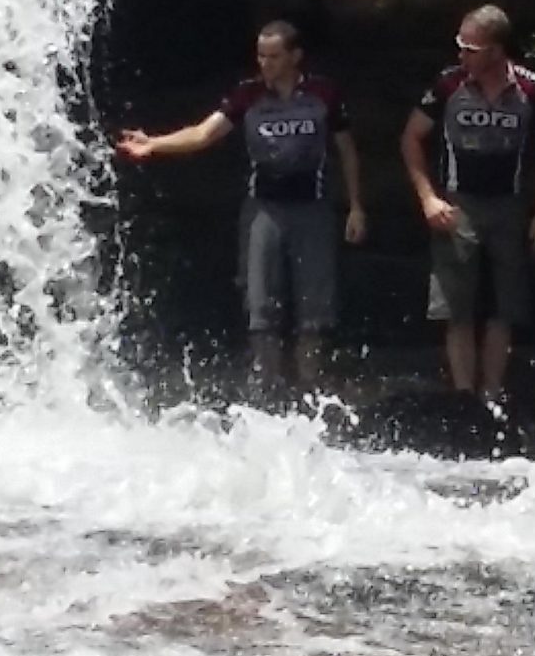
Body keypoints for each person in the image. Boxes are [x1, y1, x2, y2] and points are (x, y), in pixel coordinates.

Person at [116, 21, 364, 391]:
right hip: (263, 209)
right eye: (261, 56)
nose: (265, 63)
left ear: (295, 56)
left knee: (314, 308)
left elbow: (347, 150)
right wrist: (154, 144)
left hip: (312, 208)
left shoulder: (323, 93)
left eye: (274, 56)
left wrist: (356, 205)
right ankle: (267, 387)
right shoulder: (248, 94)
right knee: (261, 307)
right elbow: (203, 133)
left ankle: (310, 387)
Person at [401, 5, 535, 403]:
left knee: (504, 306)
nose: (462, 56)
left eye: (471, 50)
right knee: (456, 306)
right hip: (458, 204)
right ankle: (463, 395)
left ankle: (491, 395)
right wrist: (427, 198)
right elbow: (411, 138)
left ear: (496, 50)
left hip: (509, 205)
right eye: (460, 47)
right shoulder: (448, 84)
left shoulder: (531, 89)